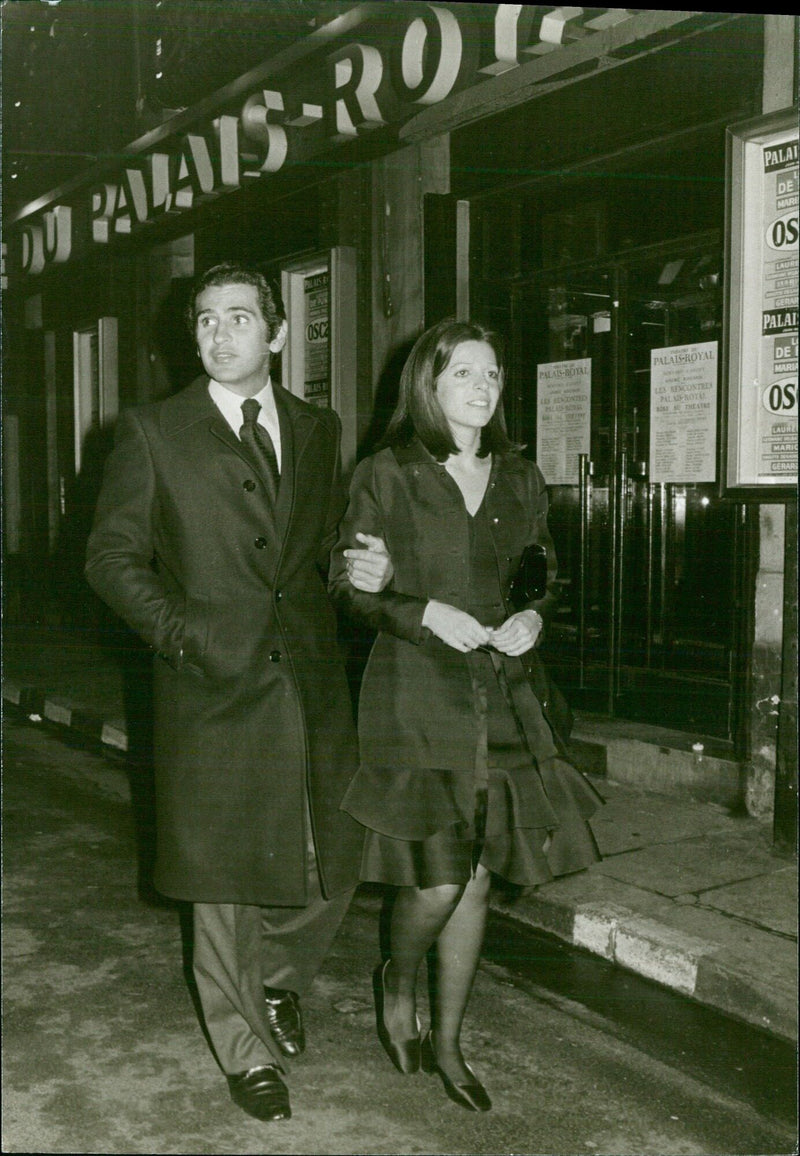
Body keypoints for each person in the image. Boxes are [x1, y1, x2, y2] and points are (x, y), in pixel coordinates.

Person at [85, 261, 391, 1123]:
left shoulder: (318, 426)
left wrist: (362, 567)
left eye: (239, 319)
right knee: (220, 878)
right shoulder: (152, 431)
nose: (220, 335)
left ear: (279, 335)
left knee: (338, 853)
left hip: (310, 680)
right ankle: (244, 1049)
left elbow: (324, 544)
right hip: (207, 686)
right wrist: (184, 633)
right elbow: (109, 560)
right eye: (207, 321)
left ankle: (279, 979)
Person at [329, 318, 602, 1113]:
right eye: (463, 375)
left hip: (507, 698)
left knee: (476, 877)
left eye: (492, 375)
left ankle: (449, 1042)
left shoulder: (520, 478)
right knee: (440, 875)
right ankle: (398, 976)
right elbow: (349, 586)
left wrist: (536, 618)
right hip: (418, 696)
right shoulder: (389, 472)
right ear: (428, 385)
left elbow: (542, 575)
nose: (482, 388)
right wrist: (421, 613)